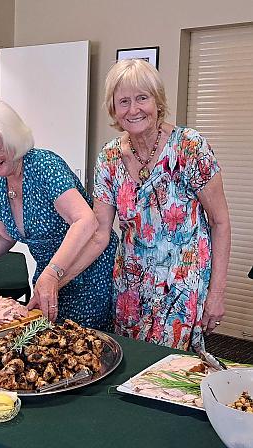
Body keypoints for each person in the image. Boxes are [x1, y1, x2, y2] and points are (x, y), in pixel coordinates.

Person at [92, 59, 231, 351]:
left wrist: (216, 293)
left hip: (182, 285)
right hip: (130, 287)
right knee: (132, 361)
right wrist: (56, 275)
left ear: (158, 101)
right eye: (124, 101)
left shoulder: (189, 147)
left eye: (142, 98)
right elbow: (99, 233)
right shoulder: (109, 157)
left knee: (171, 367)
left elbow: (220, 222)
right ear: (113, 109)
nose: (134, 109)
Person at [0, 100, 118, 330]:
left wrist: (53, 273)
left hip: (89, 274)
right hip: (49, 277)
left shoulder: (44, 166)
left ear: (14, 140)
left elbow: (85, 220)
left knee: (83, 343)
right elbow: (3, 235)